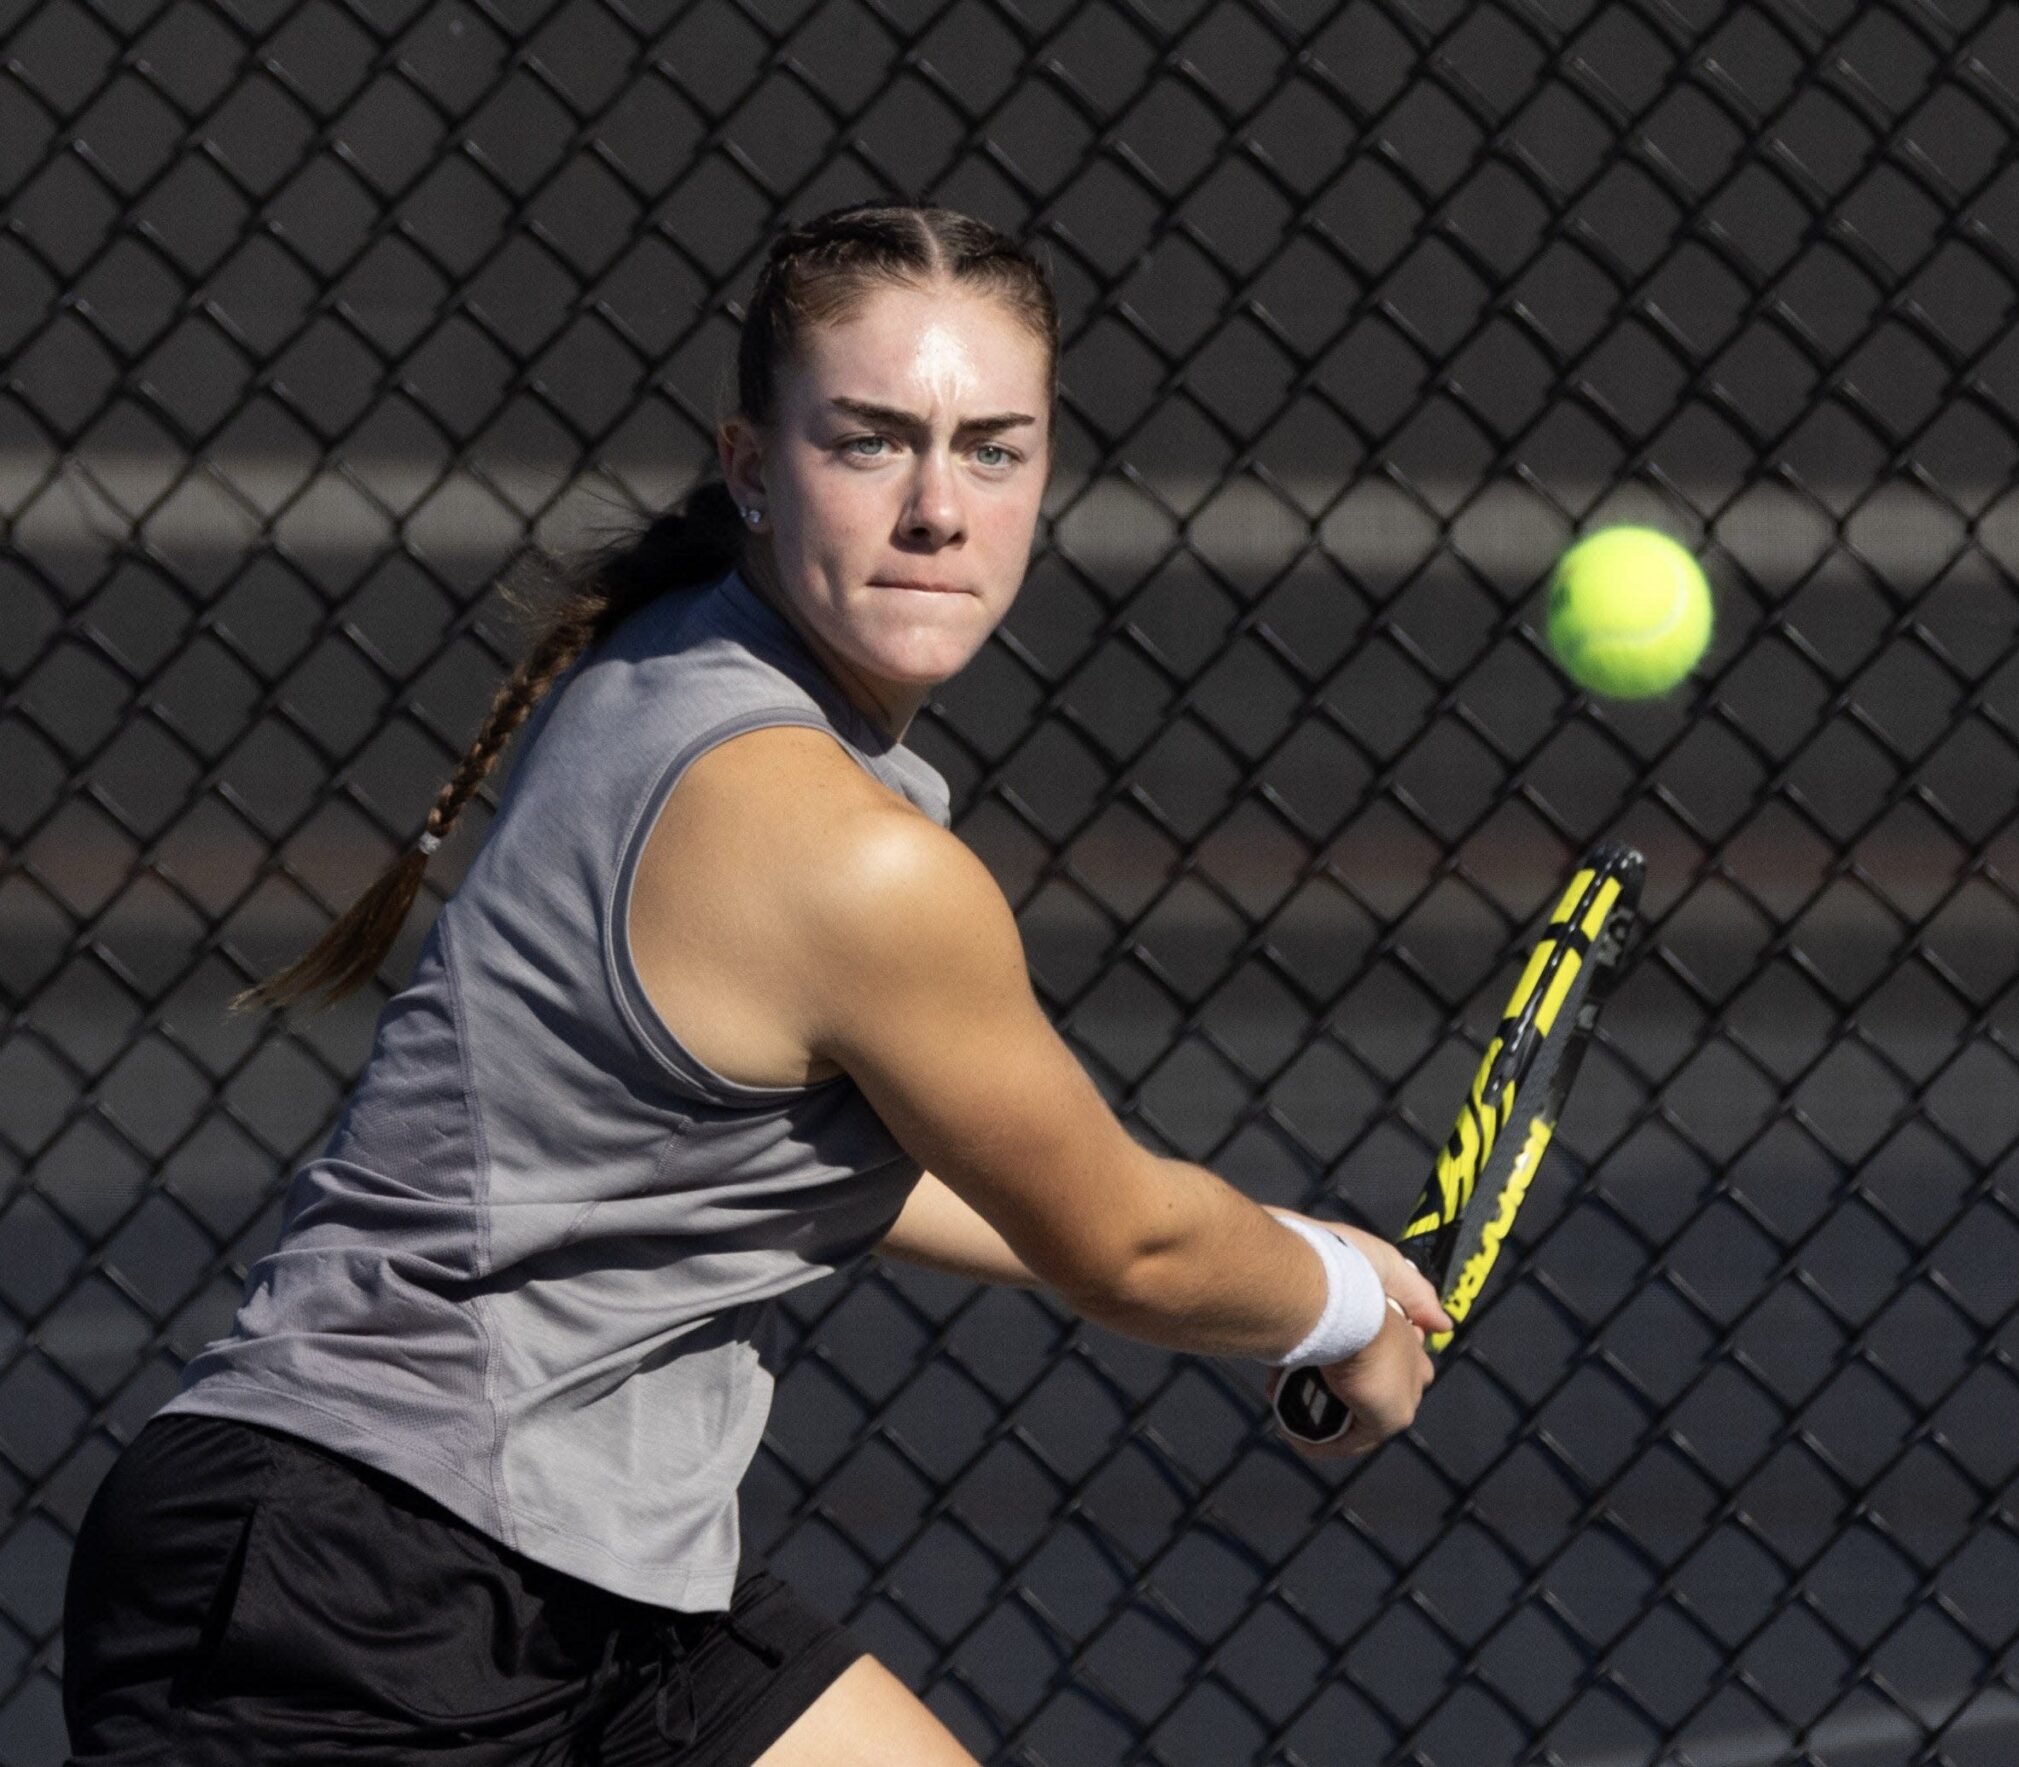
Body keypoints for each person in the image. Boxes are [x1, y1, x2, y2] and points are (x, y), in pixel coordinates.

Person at [60, 201, 1449, 1766]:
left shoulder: (676, 652)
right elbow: (1118, 1238)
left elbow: (798, 1154)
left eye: (995, 449)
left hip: (597, 1577)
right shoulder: (842, 854)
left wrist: (1282, 1261)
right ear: (748, 467)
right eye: (870, 442)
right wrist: (1326, 1307)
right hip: (350, 1589)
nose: (939, 509)